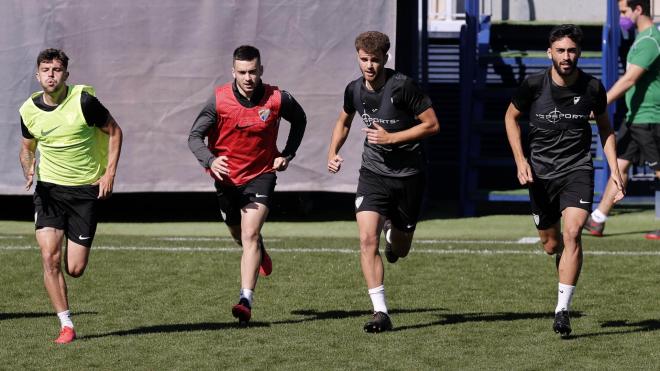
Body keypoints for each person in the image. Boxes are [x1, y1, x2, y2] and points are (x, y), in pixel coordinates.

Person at [505, 25, 625, 338]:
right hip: (541, 175)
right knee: (551, 243)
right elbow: (510, 117)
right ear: (550, 53)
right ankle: (561, 259)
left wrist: (615, 170)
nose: (566, 56)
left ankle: (562, 311)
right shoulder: (533, 85)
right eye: (560, 50)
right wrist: (520, 160)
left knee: (573, 233)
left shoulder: (593, 88)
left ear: (579, 53)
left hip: (577, 170)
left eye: (571, 50)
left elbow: (605, 129)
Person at [327, 31, 440, 333]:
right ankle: (381, 312)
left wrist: (392, 137)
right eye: (364, 60)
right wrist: (333, 151)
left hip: (408, 177)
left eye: (375, 60)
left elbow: (432, 124)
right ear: (358, 58)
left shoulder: (403, 87)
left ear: (385, 58)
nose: (369, 66)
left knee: (400, 249)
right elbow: (343, 120)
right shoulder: (353, 90)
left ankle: (396, 236)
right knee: (366, 240)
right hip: (373, 174)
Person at [188, 45, 306, 325]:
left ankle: (245, 301)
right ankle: (260, 252)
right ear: (233, 72)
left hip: (261, 174)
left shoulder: (276, 99)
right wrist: (210, 160)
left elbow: (300, 120)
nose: (248, 77)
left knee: (250, 234)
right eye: (242, 72)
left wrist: (286, 154)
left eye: (253, 71)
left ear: (261, 70)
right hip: (227, 180)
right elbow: (194, 137)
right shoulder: (219, 101)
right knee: (239, 234)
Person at [19, 48, 123, 344]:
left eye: (56, 69)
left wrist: (109, 174)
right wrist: (28, 168)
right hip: (49, 190)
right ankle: (66, 324)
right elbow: (27, 148)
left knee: (74, 269)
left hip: (84, 191)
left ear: (66, 74)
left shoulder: (85, 102)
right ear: (37, 75)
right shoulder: (28, 109)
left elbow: (115, 132)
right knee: (49, 257)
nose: (51, 75)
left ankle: (72, 277)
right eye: (45, 70)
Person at [584, 0, 660, 240]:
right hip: (634, 117)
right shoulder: (641, 39)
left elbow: (629, 80)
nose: (622, 17)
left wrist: (600, 103)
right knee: (619, 165)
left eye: (624, 12)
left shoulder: (650, 41)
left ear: (639, 10)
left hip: (650, 118)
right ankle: (597, 220)